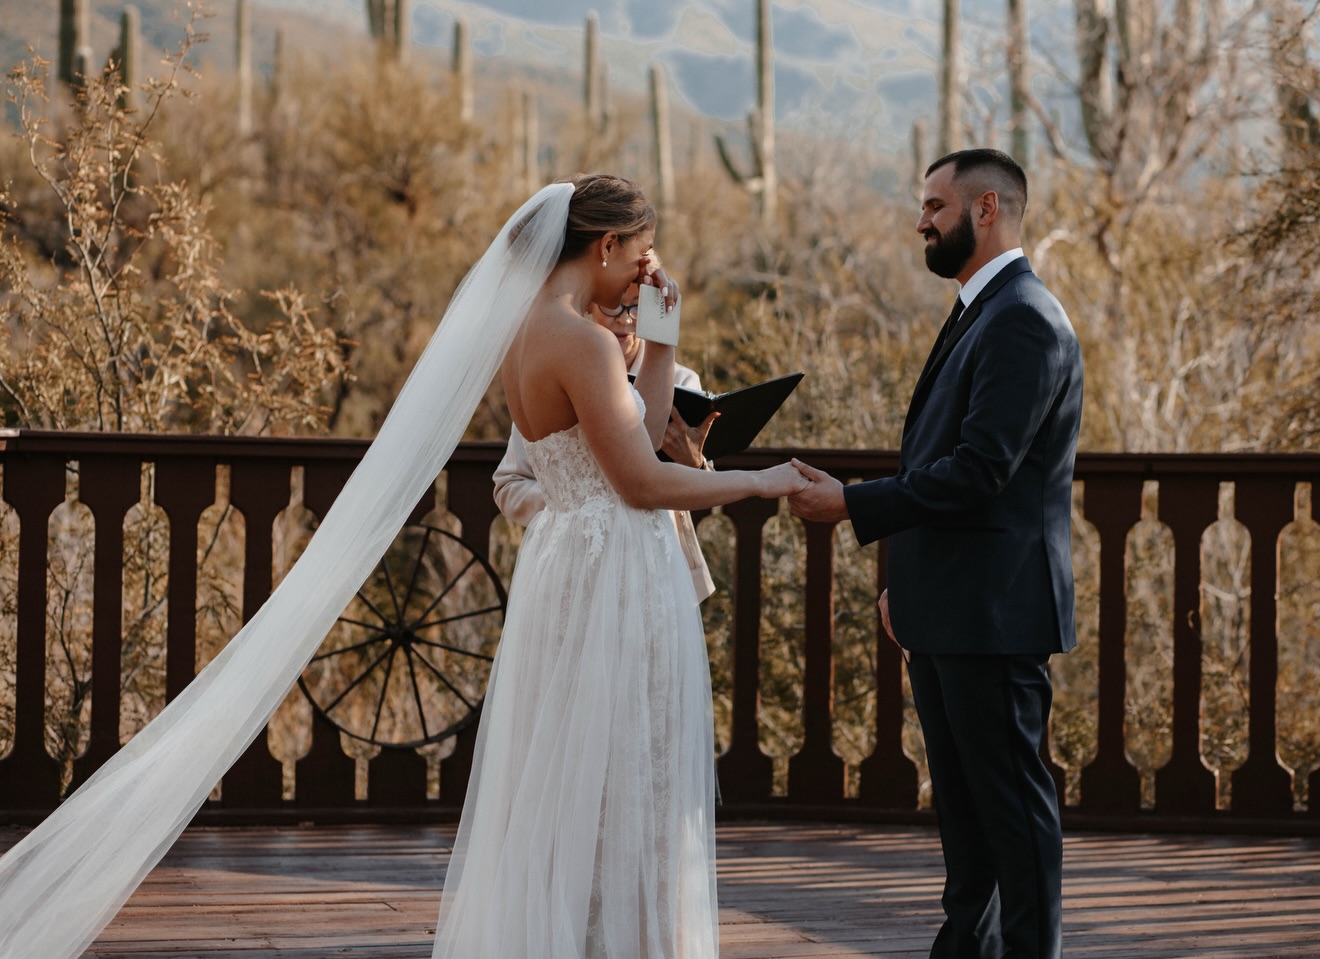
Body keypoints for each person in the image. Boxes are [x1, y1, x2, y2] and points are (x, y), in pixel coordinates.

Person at [0, 175, 808, 959]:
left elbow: (639, 437)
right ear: (605, 246)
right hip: (617, 573)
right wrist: (760, 480)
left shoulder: (528, 331)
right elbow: (639, 481)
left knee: (578, 774)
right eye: (642, 251)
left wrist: (660, 343)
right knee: (629, 776)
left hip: (574, 565)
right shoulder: (587, 342)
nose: (647, 268)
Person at [788, 148, 1083, 959]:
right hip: (951, 607)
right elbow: (937, 464)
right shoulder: (977, 311)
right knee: (967, 815)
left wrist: (850, 501)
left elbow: (982, 471)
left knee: (1014, 812)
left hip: (995, 612)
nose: (921, 220)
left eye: (934, 205)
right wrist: (906, 583)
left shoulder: (1022, 317)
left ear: (987, 209)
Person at [493, 267, 718, 602]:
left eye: (638, 307)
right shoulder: (555, 380)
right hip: (579, 570)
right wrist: (576, 504)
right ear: (592, 305)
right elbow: (510, 484)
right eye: (615, 307)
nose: (625, 320)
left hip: (660, 572)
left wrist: (696, 464)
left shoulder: (682, 383)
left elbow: (692, 485)